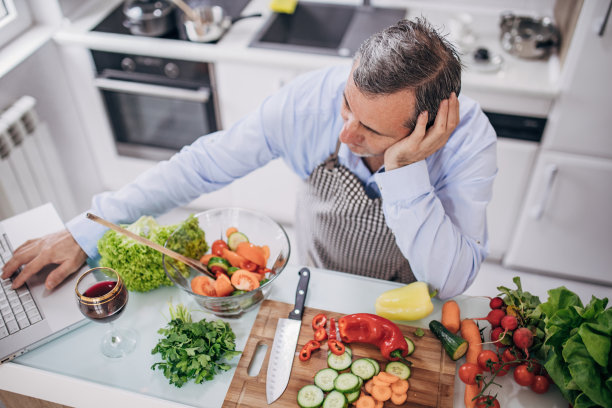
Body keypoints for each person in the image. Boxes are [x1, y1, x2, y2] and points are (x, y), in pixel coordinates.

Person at [2, 18, 497, 299]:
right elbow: (199, 165)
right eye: (348, 105)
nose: (346, 133)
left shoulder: (470, 144)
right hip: (318, 280)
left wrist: (407, 171)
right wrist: (85, 228)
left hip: (407, 295)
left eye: (371, 129)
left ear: (429, 126)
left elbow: (451, 279)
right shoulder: (307, 101)